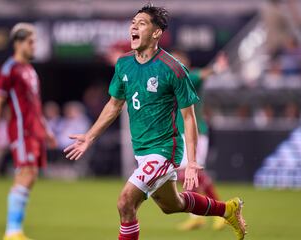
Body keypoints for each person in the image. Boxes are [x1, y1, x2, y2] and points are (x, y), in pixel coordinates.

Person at [64, 4, 246, 240]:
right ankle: (227, 209)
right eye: (132, 23)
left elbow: (188, 117)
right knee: (173, 204)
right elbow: (114, 105)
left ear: (156, 32)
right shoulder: (124, 64)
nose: (133, 27)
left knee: (125, 202)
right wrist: (89, 136)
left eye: (141, 23)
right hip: (142, 149)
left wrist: (191, 162)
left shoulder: (173, 69)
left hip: (164, 149)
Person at [0, 23, 56, 240]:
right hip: (22, 131)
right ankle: (12, 230)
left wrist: (45, 129)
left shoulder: (29, 70)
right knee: (25, 174)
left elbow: (35, 104)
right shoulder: (10, 69)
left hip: (34, 131)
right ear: (18, 42)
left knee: (30, 175)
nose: (34, 46)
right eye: (31, 42)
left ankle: (15, 229)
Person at [171, 50, 228, 230]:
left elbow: (204, 73)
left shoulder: (189, 76)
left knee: (195, 173)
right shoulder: (173, 81)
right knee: (183, 175)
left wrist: (218, 67)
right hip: (182, 133)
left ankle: (222, 212)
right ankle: (196, 215)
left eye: (174, 61)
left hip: (195, 133)